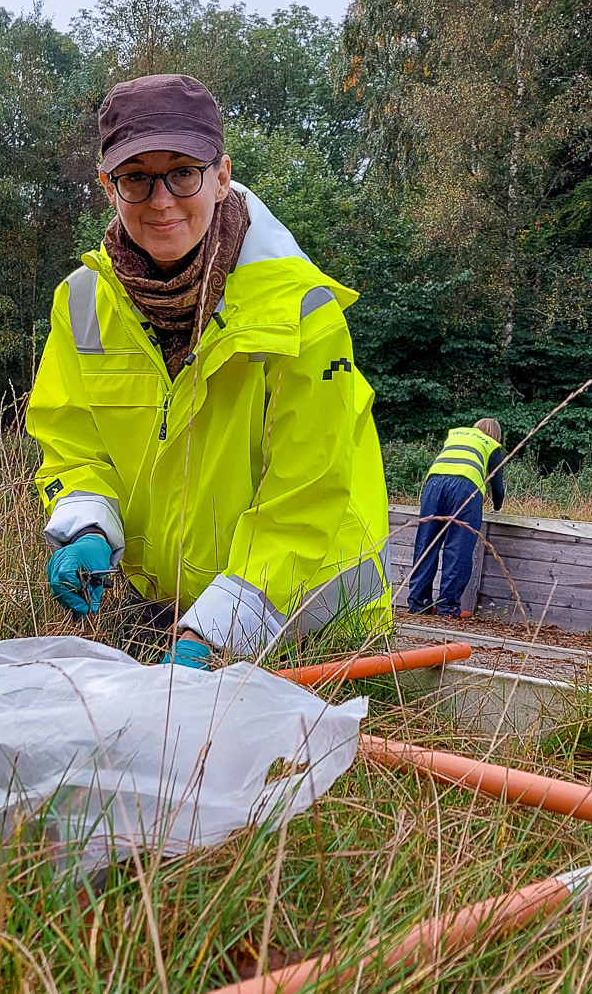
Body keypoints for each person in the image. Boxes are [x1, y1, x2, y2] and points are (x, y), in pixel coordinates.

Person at [26, 73, 390, 669]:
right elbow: (73, 443)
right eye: (136, 177)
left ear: (221, 176)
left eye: (183, 173)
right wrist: (88, 525)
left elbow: (305, 495)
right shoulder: (84, 305)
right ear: (107, 186)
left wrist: (217, 632)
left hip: (309, 621)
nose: (162, 199)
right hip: (168, 613)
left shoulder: (301, 312)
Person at [406, 418, 506, 617]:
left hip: (433, 484)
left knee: (427, 543)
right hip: (465, 487)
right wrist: (496, 507)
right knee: (458, 547)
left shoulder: (456, 435)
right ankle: (448, 607)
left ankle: (419, 603)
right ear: (496, 435)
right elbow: (498, 487)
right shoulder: (492, 445)